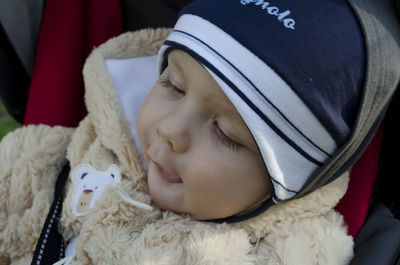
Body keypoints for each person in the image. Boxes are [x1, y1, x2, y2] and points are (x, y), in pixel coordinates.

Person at [0, 0, 399, 264]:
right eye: (172, 84)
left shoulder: (287, 253)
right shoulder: (69, 157)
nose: (170, 130)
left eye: (225, 133)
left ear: (287, 185)